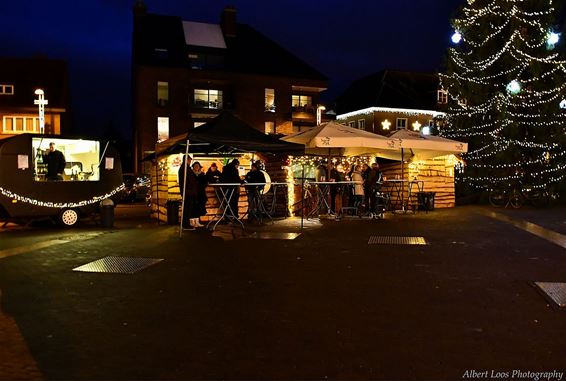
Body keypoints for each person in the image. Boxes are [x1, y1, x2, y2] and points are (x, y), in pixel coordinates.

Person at [178, 155, 201, 230]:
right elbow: (188, 181)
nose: (190, 161)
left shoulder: (185, 168)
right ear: (187, 160)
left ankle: (185, 224)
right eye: (189, 160)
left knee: (187, 209)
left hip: (188, 192)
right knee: (187, 209)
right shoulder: (185, 168)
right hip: (188, 192)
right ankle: (185, 225)